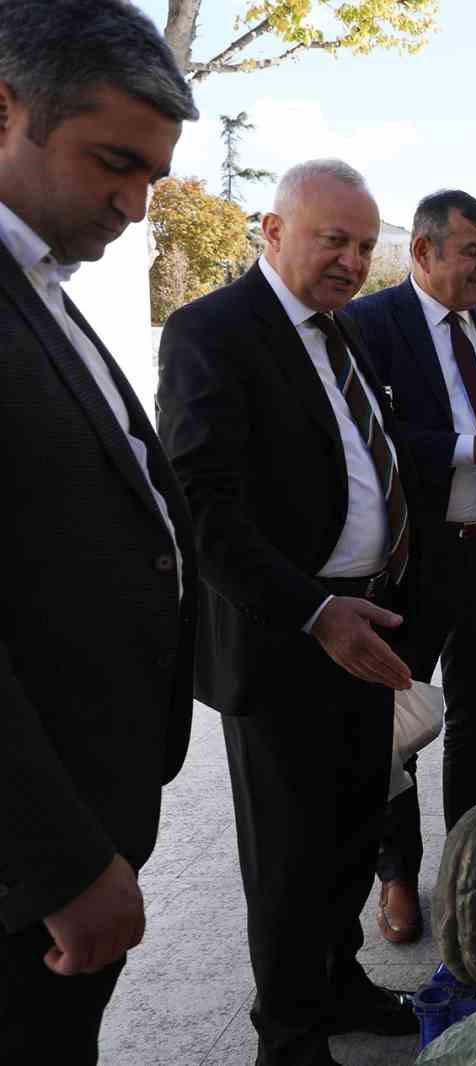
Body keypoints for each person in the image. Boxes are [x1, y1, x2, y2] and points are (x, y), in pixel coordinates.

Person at [158, 159, 418, 1066]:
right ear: (272, 233)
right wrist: (315, 613)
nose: (351, 260)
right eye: (331, 239)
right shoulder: (212, 332)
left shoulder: (343, 333)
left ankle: (337, 983)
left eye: (363, 244)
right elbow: (203, 502)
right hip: (286, 638)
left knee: (353, 831)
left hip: (364, 623)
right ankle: (290, 1037)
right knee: (288, 859)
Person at [0, 3, 198, 1060]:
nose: (134, 203)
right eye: (114, 163)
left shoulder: (42, 285)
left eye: (153, 177)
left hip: (93, 806)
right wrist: (58, 868)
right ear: (5, 106)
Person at [346, 190, 476, 944]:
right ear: (424, 251)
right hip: (410, 561)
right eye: (470, 252)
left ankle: (466, 861)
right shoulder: (370, 326)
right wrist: (475, 448)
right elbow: (374, 438)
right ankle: (397, 874)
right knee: (397, 725)